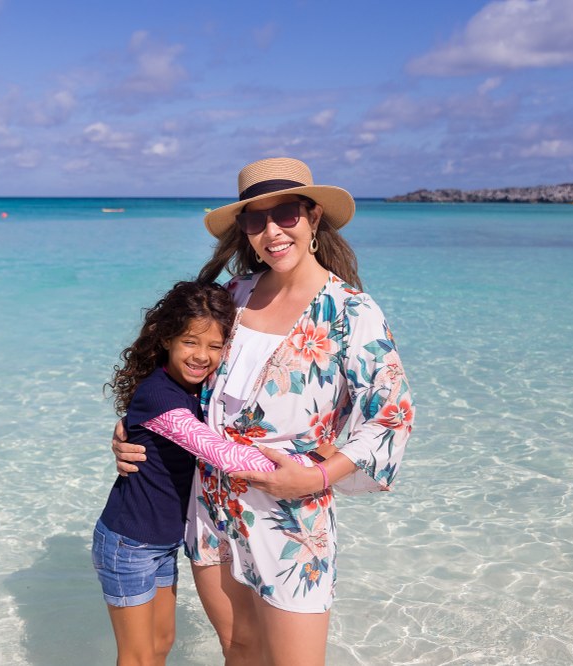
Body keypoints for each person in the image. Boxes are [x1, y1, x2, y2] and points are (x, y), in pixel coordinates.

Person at [112, 158, 413, 666]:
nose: (272, 231)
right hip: (211, 504)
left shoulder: (351, 312)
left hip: (293, 515)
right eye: (256, 219)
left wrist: (318, 477)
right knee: (239, 649)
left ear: (313, 217)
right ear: (245, 230)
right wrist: (130, 430)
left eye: (287, 214)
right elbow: (176, 374)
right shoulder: (235, 295)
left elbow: (392, 415)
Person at [93, 280, 308, 666]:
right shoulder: (159, 395)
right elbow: (220, 454)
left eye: (214, 346)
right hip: (129, 543)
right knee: (138, 657)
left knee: (161, 644)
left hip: (161, 542)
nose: (201, 356)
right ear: (166, 339)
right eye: (190, 342)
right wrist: (313, 468)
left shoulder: (197, 389)